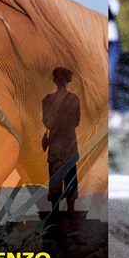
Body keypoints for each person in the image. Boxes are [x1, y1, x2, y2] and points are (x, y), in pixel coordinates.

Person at [42, 67, 81, 216]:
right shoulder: (74, 99)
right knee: (71, 178)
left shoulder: (47, 100)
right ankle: (71, 212)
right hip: (69, 145)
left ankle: (55, 212)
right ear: (67, 80)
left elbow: (47, 123)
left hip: (55, 146)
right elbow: (77, 121)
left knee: (55, 179)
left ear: (54, 80)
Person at [109, 0, 124, 128]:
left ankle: (114, 110)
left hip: (111, 42)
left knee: (111, 76)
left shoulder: (112, 1)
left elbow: (112, 11)